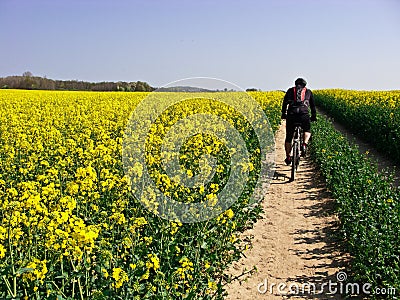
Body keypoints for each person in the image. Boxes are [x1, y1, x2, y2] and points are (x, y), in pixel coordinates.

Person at [281, 77, 316, 165]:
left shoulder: (289, 91)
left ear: (295, 84)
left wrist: (283, 114)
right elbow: (312, 106)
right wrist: (313, 116)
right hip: (303, 114)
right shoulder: (308, 92)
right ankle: (304, 144)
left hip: (291, 114)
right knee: (307, 130)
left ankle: (288, 157)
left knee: (289, 137)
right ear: (305, 85)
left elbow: (284, 103)